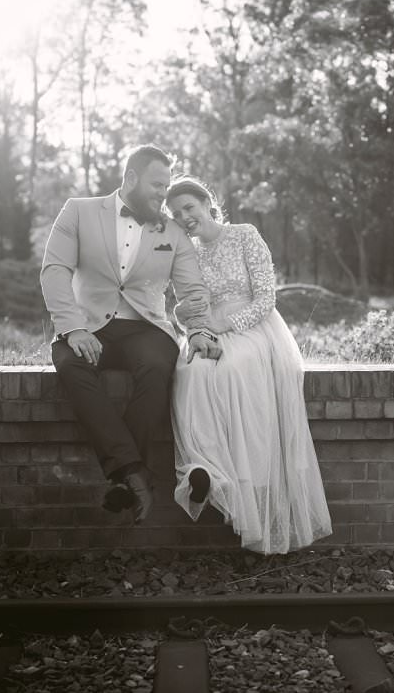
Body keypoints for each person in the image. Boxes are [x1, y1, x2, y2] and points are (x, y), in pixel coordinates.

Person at [40, 145, 220, 524]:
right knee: (70, 366)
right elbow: (55, 270)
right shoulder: (78, 211)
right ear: (131, 178)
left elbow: (192, 289)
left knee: (158, 364)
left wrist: (200, 327)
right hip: (88, 326)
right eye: (157, 184)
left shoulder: (172, 232)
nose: (163, 194)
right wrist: (72, 328)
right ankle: (135, 474)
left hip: (145, 327)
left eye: (166, 185)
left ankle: (127, 475)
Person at [166, 176, 332, 555]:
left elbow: (266, 299)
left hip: (253, 327)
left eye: (189, 207)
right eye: (176, 214)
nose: (184, 217)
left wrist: (226, 325)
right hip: (206, 331)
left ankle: (246, 482)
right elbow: (181, 308)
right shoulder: (183, 251)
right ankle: (203, 472)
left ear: (208, 203)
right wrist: (193, 326)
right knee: (188, 371)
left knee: (230, 370)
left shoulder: (244, 235)